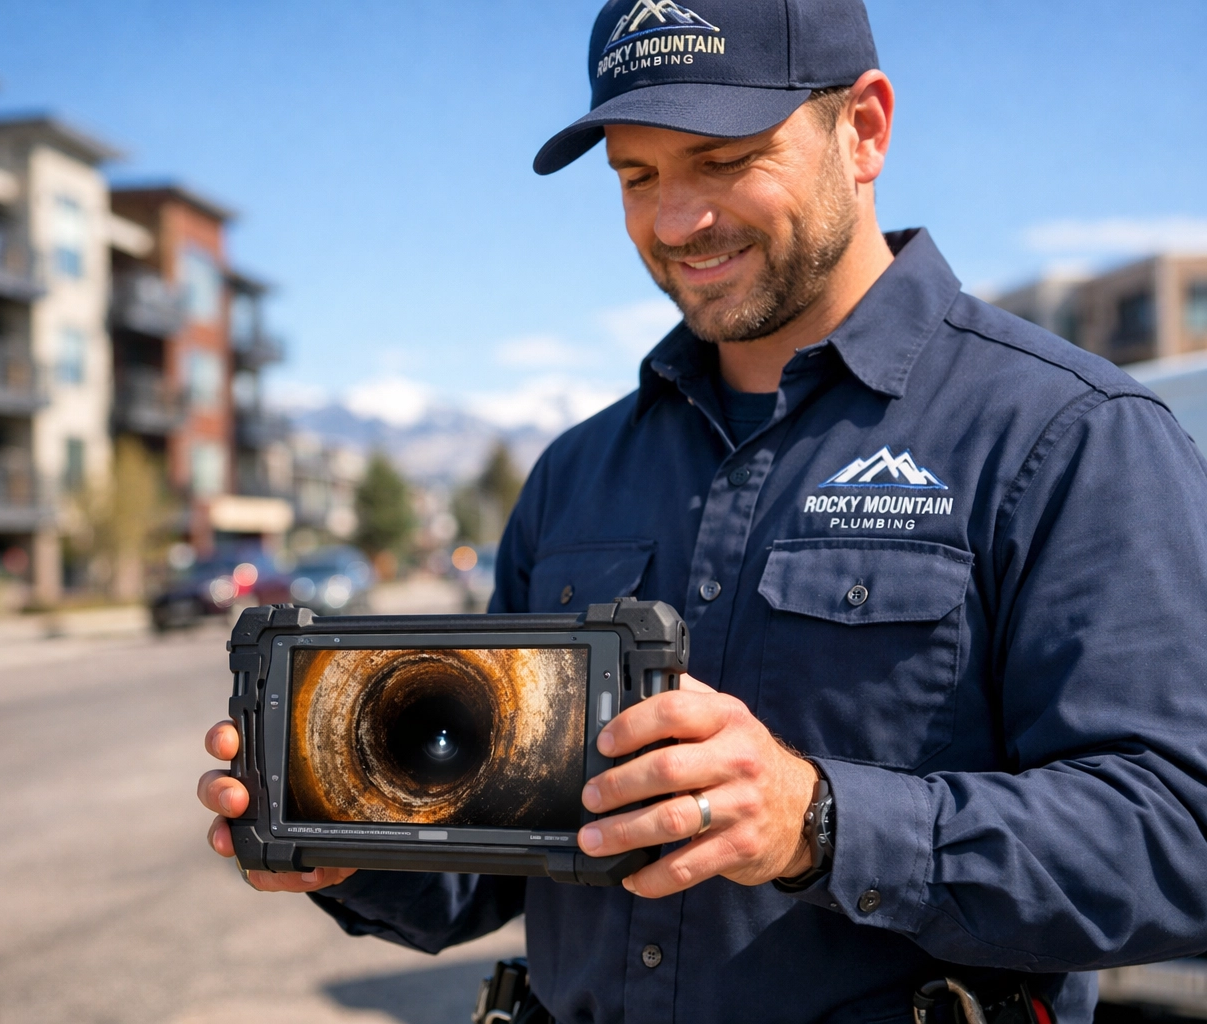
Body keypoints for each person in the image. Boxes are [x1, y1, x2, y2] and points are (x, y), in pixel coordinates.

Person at [198, 1, 1207, 1020]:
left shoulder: (1071, 437)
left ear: (863, 131)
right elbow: (494, 871)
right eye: (636, 177)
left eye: (723, 159)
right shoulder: (575, 473)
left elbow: (1180, 838)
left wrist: (818, 819)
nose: (676, 219)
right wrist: (348, 840)